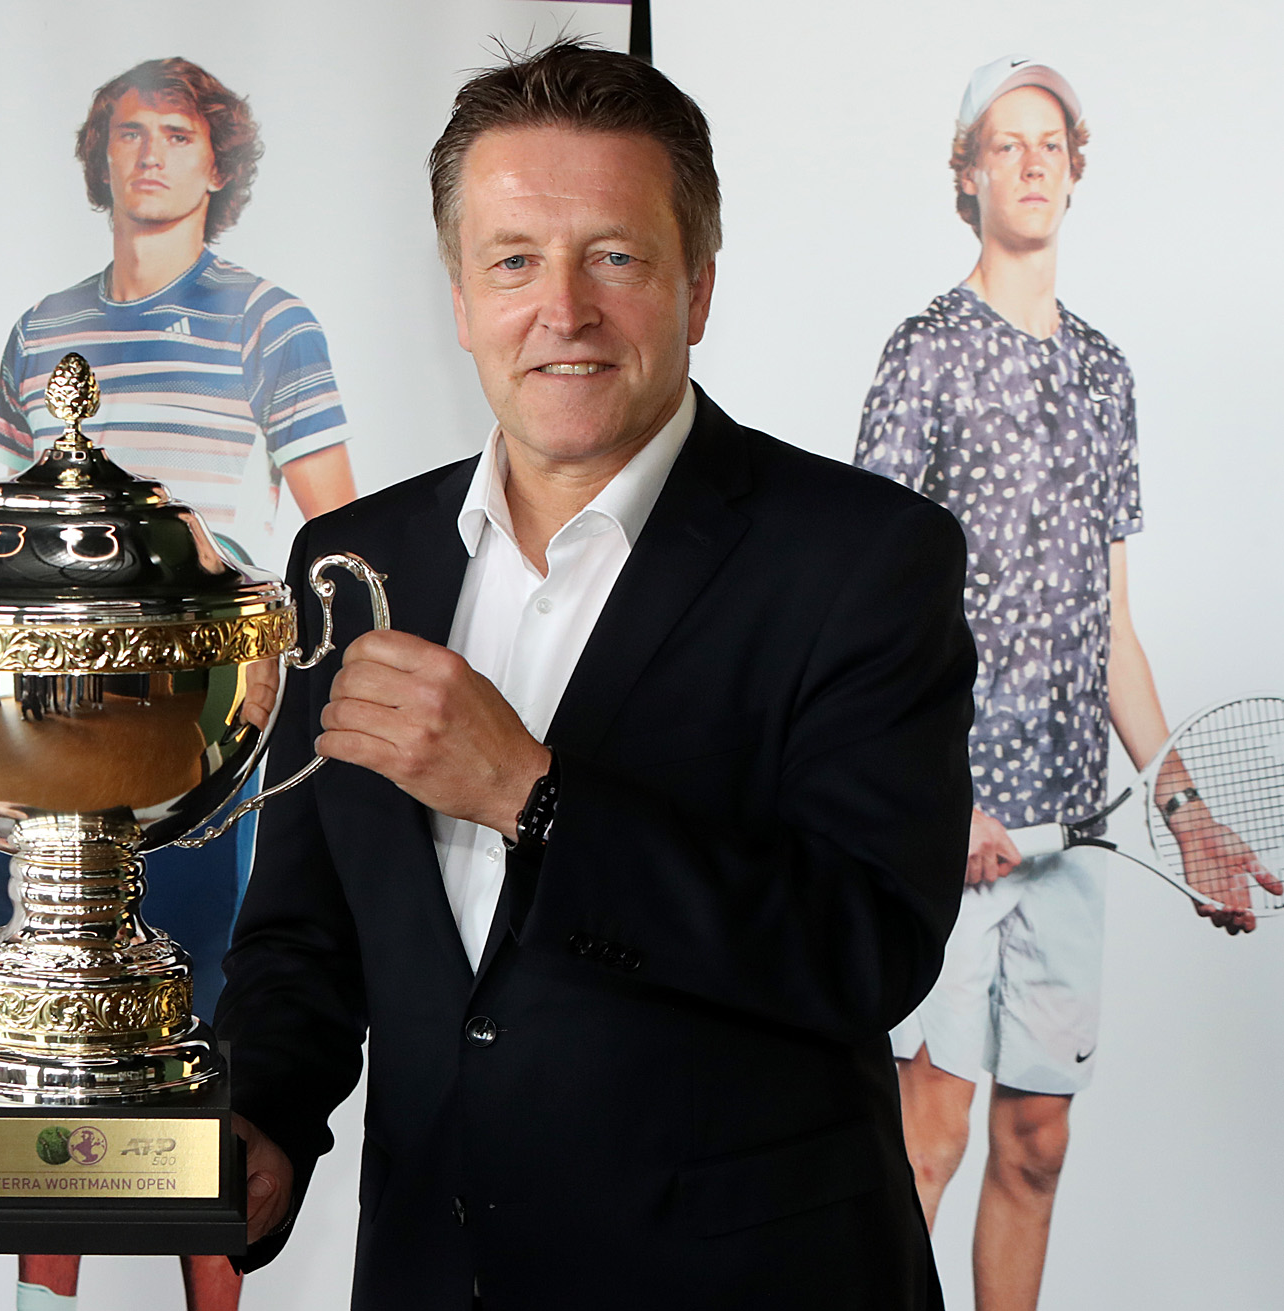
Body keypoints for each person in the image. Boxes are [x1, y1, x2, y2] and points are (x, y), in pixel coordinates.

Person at [214, 41, 977, 1308]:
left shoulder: (862, 556)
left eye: (614, 258)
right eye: (513, 261)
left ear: (698, 286)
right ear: (460, 296)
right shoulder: (351, 560)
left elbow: (866, 949)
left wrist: (533, 798)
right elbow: (305, 932)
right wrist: (265, 1124)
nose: (562, 311)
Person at [856, 55, 1270, 1311]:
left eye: (1051, 143)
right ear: (967, 176)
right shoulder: (923, 354)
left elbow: (1112, 633)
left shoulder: (1104, 372)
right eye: (1005, 143)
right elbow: (861, 610)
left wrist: (1185, 813)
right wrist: (935, 799)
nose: (1030, 162)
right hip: (947, 832)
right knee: (925, 1140)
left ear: (1075, 172)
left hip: (1070, 835)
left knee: (1035, 1144)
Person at [0, 58, 357, 1310]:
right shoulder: (39, 328)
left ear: (217, 161)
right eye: (128, 131)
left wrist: (260, 676)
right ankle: (43, 1297)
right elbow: (4, 534)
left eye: (177, 134)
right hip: (44, 727)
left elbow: (333, 534)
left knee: (191, 1030)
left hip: (190, 721)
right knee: (48, 1026)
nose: (148, 153)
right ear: (101, 155)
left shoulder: (267, 320)